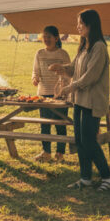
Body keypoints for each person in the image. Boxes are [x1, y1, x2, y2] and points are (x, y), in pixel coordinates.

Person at [55, 9, 110, 191]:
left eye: (81, 23)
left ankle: (108, 176)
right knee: (80, 140)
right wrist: (61, 68)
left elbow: (91, 76)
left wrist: (70, 87)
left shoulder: (99, 47)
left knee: (89, 140)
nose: (78, 27)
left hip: (93, 101)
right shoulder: (83, 46)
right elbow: (73, 68)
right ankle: (85, 178)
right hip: (80, 101)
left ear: (90, 25)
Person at [32, 25, 71, 162]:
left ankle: (60, 153)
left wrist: (64, 88)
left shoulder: (63, 54)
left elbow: (69, 73)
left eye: (49, 37)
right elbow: (35, 71)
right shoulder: (39, 53)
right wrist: (35, 79)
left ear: (56, 38)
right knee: (45, 124)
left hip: (59, 94)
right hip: (43, 94)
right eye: (44, 37)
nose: (46, 39)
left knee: (60, 124)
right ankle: (46, 152)